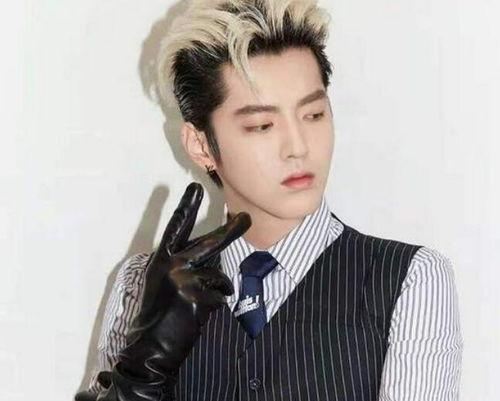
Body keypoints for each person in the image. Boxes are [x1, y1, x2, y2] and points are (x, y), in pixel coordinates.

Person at [76, 0, 463, 400]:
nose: (298, 147)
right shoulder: (141, 286)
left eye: (313, 115)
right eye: (262, 125)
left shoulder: (410, 281)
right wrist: (141, 372)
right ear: (201, 145)